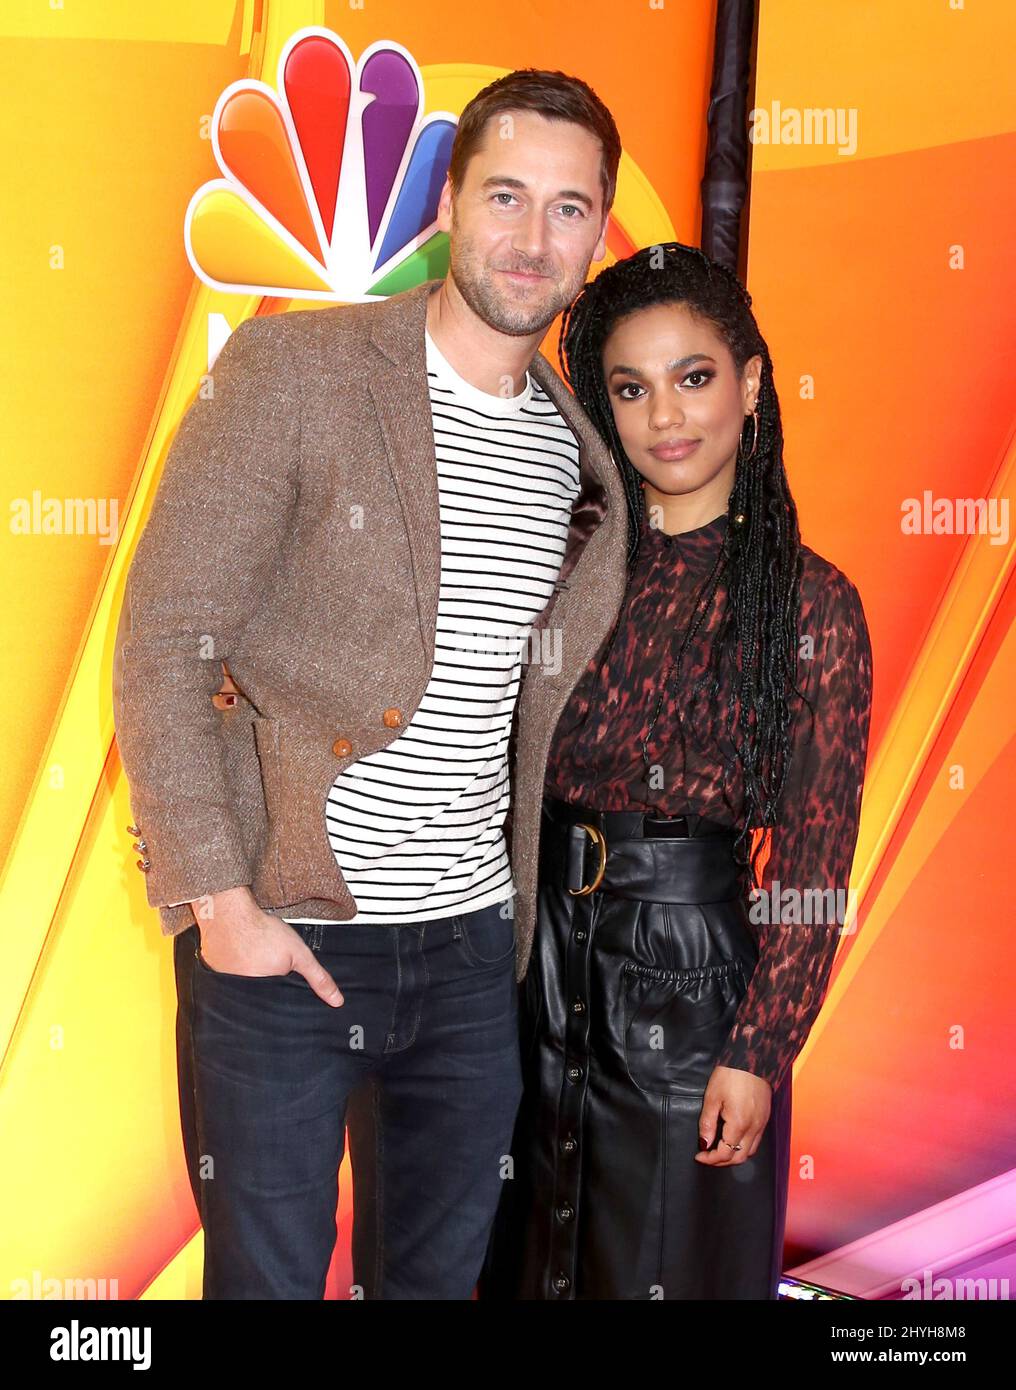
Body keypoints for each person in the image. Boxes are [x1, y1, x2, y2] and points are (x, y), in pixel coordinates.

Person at [111, 68, 631, 1299]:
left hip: (461, 956)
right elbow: (164, 636)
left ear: (598, 235)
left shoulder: (578, 450)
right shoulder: (299, 370)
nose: (532, 235)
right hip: (285, 941)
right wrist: (220, 906)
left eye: (568, 208)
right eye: (505, 194)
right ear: (449, 204)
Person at [478, 241, 873, 1300]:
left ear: (748, 384)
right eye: (630, 388)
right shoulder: (563, 570)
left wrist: (758, 1047)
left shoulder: (810, 605)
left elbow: (814, 862)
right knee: (522, 1266)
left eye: (693, 377)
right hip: (530, 955)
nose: (665, 416)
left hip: (692, 982)